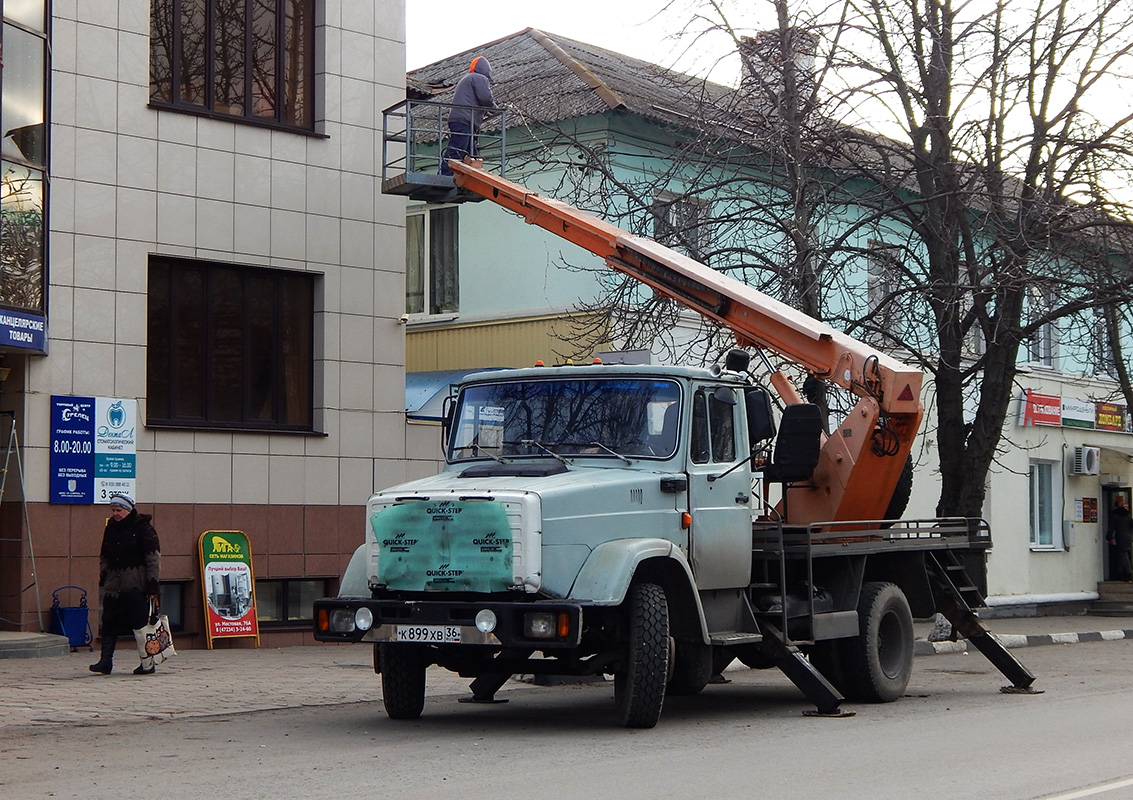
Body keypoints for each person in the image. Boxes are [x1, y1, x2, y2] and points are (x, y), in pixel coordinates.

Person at [89, 493, 162, 675]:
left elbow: (153, 558)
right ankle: (105, 661)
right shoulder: (111, 528)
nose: (115, 513)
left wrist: (152, 585)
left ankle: (147, 663)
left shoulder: (143, 528)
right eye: (113, 510)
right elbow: (104, 554)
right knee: (109, 621)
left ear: (128, 510)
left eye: (119, 510)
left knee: (140, 624)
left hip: (135, 585)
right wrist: (104, 574)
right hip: (114, 584)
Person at [440, 56, 497, 176]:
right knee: (458, 148)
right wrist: (495, 109)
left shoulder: (468, 78)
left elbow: (473, 100)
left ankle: (472, 175)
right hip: (464, 120)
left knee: (471, 152)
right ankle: (445, 174)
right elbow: (485, 97)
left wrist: (486, 110)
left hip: (461, 119)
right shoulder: (479, 78)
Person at [1107, 494, 1132, 582]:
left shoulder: (1115, 515)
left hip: (1120, 537)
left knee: (1123, 555)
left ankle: (1128, 573)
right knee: (1123, 555)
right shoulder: (1127, 514)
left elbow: (1112, 528)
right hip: (1128, 537)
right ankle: (1121, 573)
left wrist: (1108, 537)